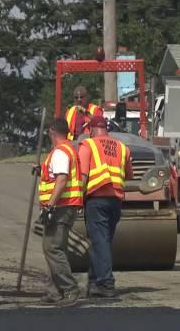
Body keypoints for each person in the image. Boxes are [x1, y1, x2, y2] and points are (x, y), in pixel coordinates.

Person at [78, 116, 133, 298]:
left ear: (92, 129)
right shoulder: (122, 148)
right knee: (102, 241)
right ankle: (94, 281)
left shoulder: (88, 146)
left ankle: (106, 283)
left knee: (99, 241)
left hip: (96, 200)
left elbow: (83, 176)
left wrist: (78, 199)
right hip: (115, 201)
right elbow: (129, 175)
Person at [37, 118, 84, 305]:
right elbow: (54, 175)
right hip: (66, 205)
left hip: (61, 206)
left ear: (51, 131)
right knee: (56, 248)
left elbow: (62, 179)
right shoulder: (68, 150)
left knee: (52, 248)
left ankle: (70, 290)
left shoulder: (60, 152)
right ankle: (54, 291)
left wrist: (50, 205)